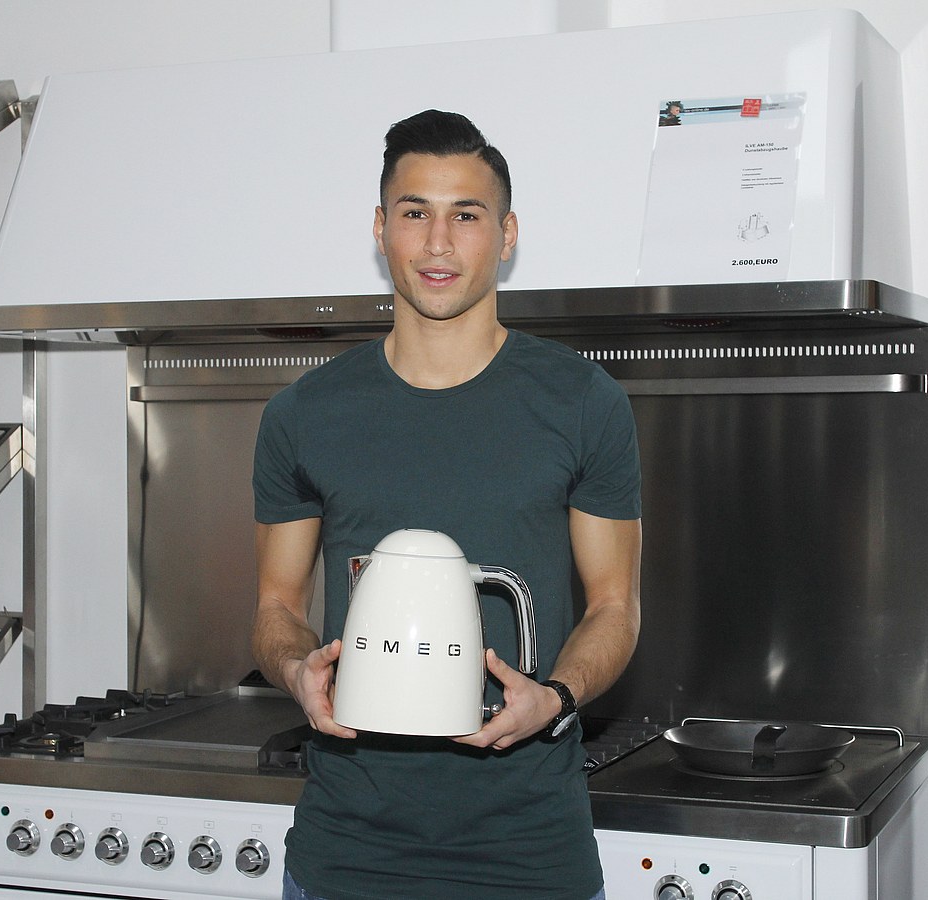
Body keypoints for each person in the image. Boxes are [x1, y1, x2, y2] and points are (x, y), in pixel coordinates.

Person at [251, 108, 643, 900]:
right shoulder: (304, 414)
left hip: (532, 858)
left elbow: (615, 606)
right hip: (345, 858)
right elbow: (276, 606)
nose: (437, 243)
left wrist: (556, 697)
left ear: (506, 235)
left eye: (466, 215)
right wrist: (296, 671)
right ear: (380, 230)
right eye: (414, 213)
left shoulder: (582, 403)